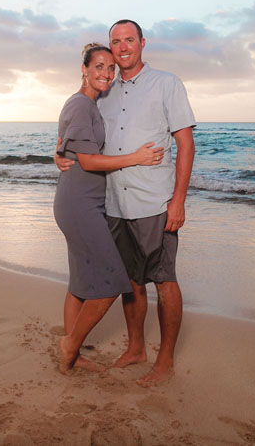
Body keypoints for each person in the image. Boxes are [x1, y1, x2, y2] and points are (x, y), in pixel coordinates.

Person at [56, 20, 196, 385]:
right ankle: (136, 348)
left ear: (142, 43)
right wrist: (59, 152)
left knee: (163, 280)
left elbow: (185, 144)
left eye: (128, 40)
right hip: (112, 203)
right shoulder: (104, 92)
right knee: (131, 282)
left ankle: (164, 361)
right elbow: (77, 127)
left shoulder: (167, 84)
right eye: (115, 42)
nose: (122, 47)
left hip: (153, 200)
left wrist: (178, 201)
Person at [54, 43, 165, 374]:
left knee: (79, 284)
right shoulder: (81, 105)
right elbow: (87, 161)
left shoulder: (87, 104)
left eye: (111, 68)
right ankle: (69, 346)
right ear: (84, 70)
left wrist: (58, 155)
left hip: (81, 201)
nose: (106, 73)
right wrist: (138, 157)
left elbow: (65, 146)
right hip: (80, 204)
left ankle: (71, 357)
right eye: (99, 66)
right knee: (111, 282)